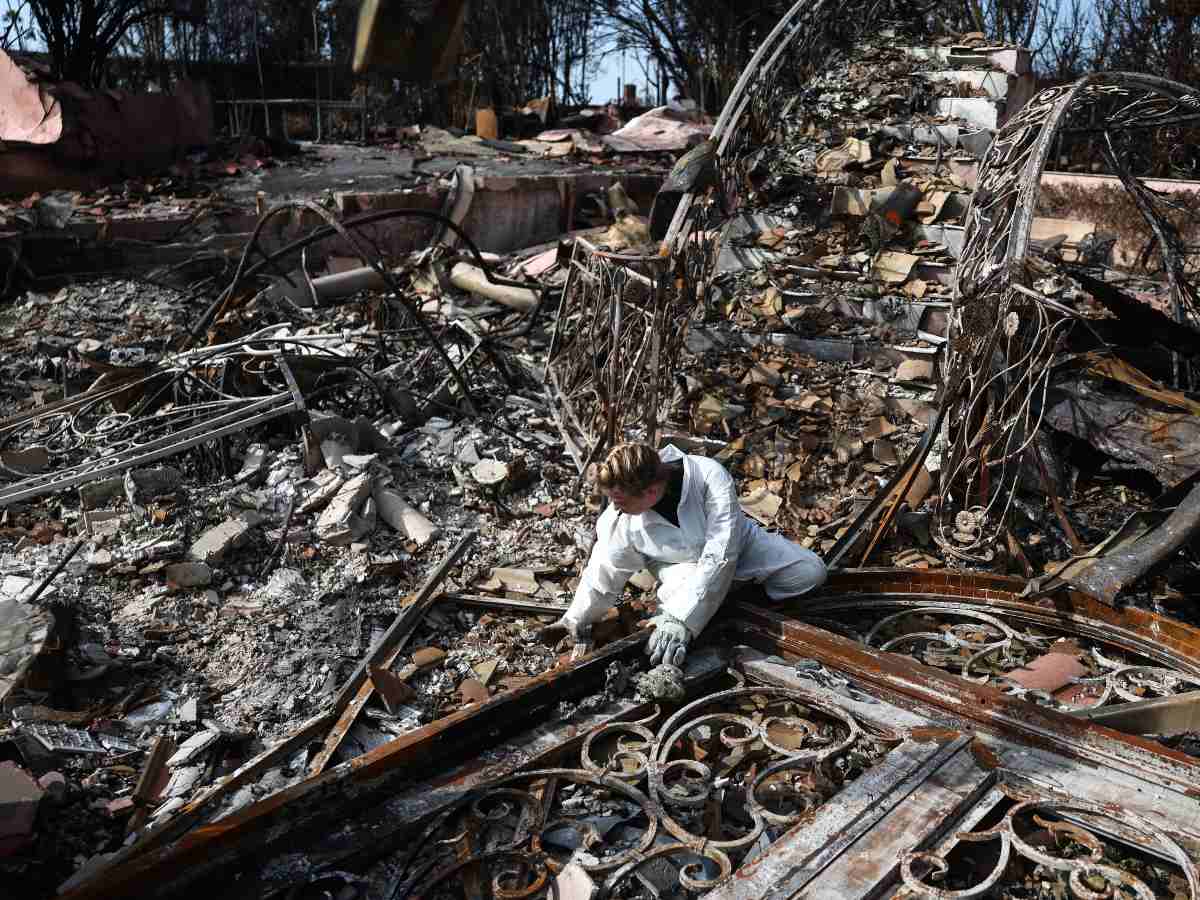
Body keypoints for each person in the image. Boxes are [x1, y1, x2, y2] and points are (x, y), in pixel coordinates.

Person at [541, 442, 827, 667]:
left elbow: (721, 550)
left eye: (621, 500)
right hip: (680, 567)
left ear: (650, 491)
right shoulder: (619, 520)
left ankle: (723, 599)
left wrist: (682, 619)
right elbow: (603, 572)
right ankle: (707, 605)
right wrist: (574, 619)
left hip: (741, 545)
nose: (615, 507)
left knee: (810, 572)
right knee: (683, 613)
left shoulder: (707, 475)